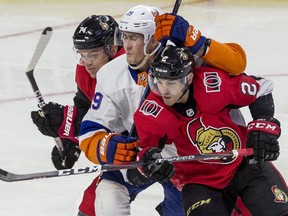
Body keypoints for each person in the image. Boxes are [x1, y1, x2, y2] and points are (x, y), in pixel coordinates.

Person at [79, 5, 249, 216]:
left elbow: (237, 63)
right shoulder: (111, 74)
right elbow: (92, 127)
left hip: (196, 164)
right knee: (106, 192)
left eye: (134, 38)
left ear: (152, 38)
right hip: (147, 157)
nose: (127, 46)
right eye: (124, 37)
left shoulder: (185, 59)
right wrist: (105, 146)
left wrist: (196, 40)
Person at [134, 45, 288, 216]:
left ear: (189, 78)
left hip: (242, 164)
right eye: (159, 82)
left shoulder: (214, 84)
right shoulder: (152, 110)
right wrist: (150, 163)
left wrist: (262, 125)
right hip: (198, 181)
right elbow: (145, 151)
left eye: (171, 82)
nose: (164, 90)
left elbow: (262, 87)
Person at [30, 15, 125, 216]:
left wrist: (67, 123)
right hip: (122, 155)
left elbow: (121, 124)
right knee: (92, 207)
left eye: (93, 54)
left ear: (112, 49)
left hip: (156, 152)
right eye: (82, 54)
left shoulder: (127, 72)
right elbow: (84, 105)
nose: (86, 62)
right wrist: (70, 141)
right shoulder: (84, 70)